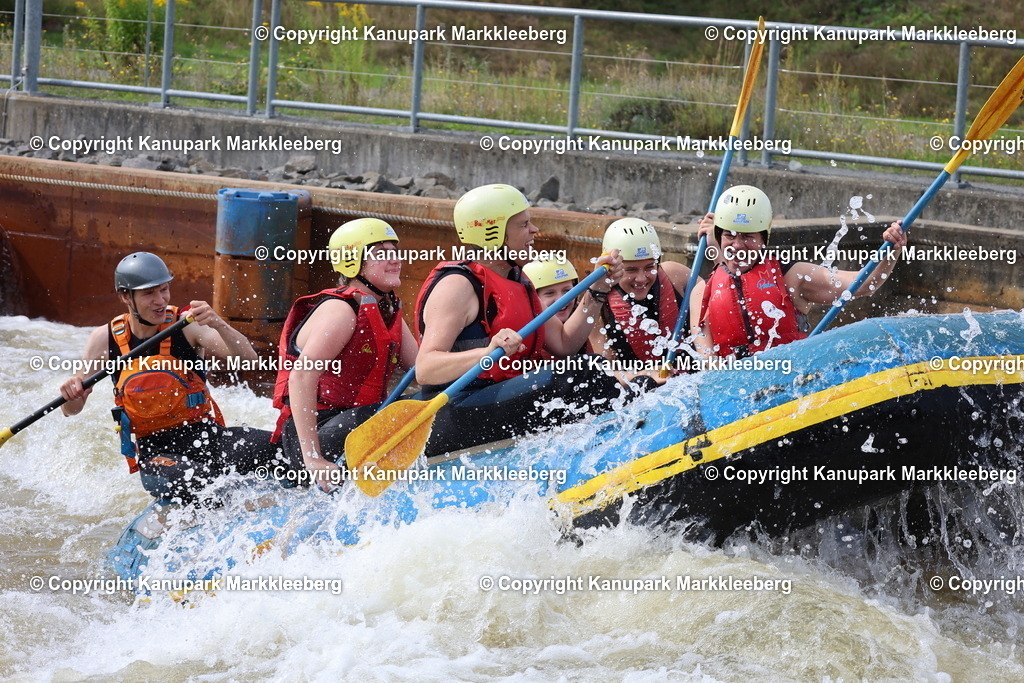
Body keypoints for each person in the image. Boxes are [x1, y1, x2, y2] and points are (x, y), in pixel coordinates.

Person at [413, 183, 629, 454]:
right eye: (524, 224)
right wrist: (488, 353)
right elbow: (426, 369)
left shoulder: (516, 279)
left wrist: (598, 290)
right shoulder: (458, 285)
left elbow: (565, 344)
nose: (534, 230)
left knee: (585, 366)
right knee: (583, 372)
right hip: (455, 409)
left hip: (494, 398)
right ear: (494, 233)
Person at [59, 252, 282, 505]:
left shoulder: (187, 325)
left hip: (206, 437)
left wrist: (219, 324)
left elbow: (248, 359)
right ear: (125, 296)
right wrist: (72, 395)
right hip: (158, 455)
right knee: (200, 480)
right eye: (149, 293)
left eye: (164, 290)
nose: (160, 300)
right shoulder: (104, 340)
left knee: (283, 449)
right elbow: (71, 410)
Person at [271, 219, 417, 489]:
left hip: (353, 419)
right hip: (318, 433)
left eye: (395, 251)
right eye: (381, 253)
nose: (395, 260)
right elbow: (301, 377)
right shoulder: (341, 311)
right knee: (402, 412)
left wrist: (485, 354)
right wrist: (313, 459)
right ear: (353, 263)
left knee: (418, 405)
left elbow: (422, 369)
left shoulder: (386, 308)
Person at [690, 184, 908, 358]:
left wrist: (892, 250)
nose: (738, 245)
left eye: (748, 237)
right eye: (729, 235)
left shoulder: (792, 277)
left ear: (763, 239)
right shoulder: (702, 293)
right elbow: (707, 364)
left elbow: (864, 284)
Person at [589, 217, 693, 364]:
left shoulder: (676, 275)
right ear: (613, 267)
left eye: (649, 267)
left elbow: (714, 296)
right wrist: (647, 374)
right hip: (641, 377)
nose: (641, 278)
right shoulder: (597, 307)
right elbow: (605, 370)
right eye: (631, 270)